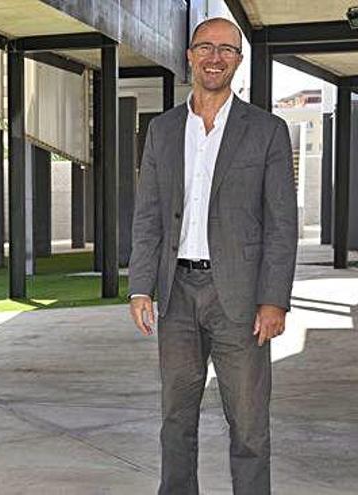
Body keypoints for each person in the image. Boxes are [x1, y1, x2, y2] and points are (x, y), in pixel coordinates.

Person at [128, 17, 298, 495]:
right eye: (205, 47)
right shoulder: (162, 130)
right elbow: (149, 217)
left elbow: (282, 225)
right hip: (177, 295)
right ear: (189, 55)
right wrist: (141, 286)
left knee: (247, 425)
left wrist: (274, 300)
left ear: (238, 61)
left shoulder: (267, 131)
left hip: (241, 301)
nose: (215, 57)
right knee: (175, 420)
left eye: (226, 49)